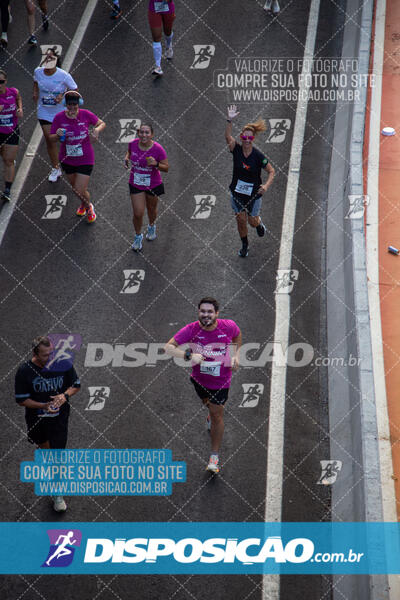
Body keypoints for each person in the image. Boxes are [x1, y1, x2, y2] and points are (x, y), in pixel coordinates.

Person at [164, 297, 241, 474]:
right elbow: (168, 348)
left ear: (216, 314)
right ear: (198, 312)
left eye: (209, 312)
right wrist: (189, 356)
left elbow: (237, 335)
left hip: (221, 381)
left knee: (217, 414)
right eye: (202, 311)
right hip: (199, 380)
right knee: (208, 406)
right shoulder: (191, 330)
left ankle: (214, 456)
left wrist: (235, 355)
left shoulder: (228, 326)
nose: (206, 315)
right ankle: (210, 414)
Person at [15, 336, 80, 512]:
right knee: (46, 451)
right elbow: (21, 400)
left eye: (51, 353)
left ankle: (57, 493)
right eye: (45, 355)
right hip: (37, 420)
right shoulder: (24, 371)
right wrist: (42, 405)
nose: (50, 358)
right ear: (35, 353)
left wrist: (64, 396)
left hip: (59, 419)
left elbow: (76, 385)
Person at [225, 105, 275, 257]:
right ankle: (245, 245)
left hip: (254, 195)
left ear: (253, 139)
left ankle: (259, 223)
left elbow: (272, 171)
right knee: (240, 219)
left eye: (250, 137)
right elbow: (228, 137)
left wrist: (265, 186)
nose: (247, 140)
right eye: (244, 137)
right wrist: (229, 120)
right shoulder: (237, 150)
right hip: (237, 193)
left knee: (251, 222)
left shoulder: (259, 156)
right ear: (241, 137)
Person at [49, 91, 106, 223]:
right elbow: (51, 139)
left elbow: (102, 123)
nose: (72, 107)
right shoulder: (59, 118)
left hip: (85, 158)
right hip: (67, 159)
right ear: (65, 105)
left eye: (75, 105)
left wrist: (97, 130)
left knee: (78, 189)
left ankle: (89, 207)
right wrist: (57, 135)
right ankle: (83, 203)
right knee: (77, 189)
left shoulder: (85, 114)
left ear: (79, 104)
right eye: (69, 105)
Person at [33, 48, 78, 182]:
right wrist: (35, 92)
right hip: (44, 111)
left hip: (60, 113)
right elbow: (35, 82)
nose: (48, 60)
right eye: (46, 58)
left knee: (64, 139)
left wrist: (63, 96)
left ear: (56, 60)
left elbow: (74, 89)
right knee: (50, 138)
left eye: (51, 58)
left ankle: (71, 163)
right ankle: (55, 168)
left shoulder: (63, 75)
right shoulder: (38, 71)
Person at [125, 123, 168, 250]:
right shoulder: (133, 143)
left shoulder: (158, 149)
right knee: (138, 213)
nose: (144, 135)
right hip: (136, 183)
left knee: (151, 209)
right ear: (138, 133)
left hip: (153, 184)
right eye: (141, 132)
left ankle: (151, 226)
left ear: (152, 135)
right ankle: (138, 236)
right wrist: (126, 159)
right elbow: (129, 152)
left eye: (147, 132)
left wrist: (156, 164)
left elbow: (166, 167)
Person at [0, 71, 22, 201]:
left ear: (5, 82)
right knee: (6, 157)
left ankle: (7, 190)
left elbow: (18, 98)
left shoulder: (13, 92)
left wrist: (20, 109)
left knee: (8, 161)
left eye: (1, 82)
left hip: (11, 131)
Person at [148, 0, 175, 75]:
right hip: (154, 9)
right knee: (156, 37)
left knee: (168, 32)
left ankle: (168, 46)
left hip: (168, 8)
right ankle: (158, 66)